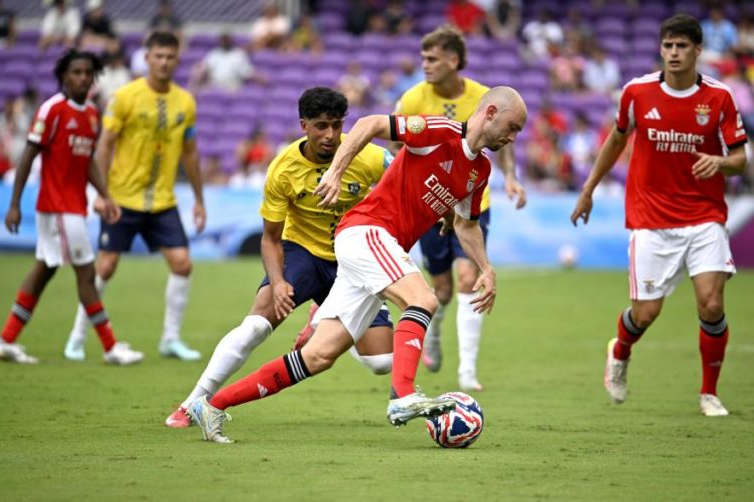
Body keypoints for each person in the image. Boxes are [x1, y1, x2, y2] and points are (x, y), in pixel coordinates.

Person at [186, 87, 528, 443]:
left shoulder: (481, 170)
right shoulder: (439, 131)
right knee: (423, 300)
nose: (513, 136)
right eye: (512, 126)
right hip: (367, 231)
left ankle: (210, 405)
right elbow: (371, 123)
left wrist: (486, 268)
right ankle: (403, 397)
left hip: (377, 247)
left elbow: (466, 224)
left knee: (318, 356)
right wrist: (336, 170)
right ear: (489, 112)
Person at [164, 87, 395, 428]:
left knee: (381, 362)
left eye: (335, 125)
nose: (329, 135)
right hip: (302, 253)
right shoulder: (283, 169)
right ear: (303, 124)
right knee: (256, 325)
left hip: (354, 259)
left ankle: (325, 320)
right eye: (320, 126)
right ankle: (190, 403)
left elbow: (404, 188)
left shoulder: (370, 157)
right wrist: (278, 281)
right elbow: (270, 238)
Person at [570, 15, 747, 417]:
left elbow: (740, 159)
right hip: (651, 217)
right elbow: (616, 140)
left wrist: (720, 163)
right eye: (668, 46)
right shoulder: (637, 92)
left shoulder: (719, 98)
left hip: (704, 216)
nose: (674, 53)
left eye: (682, 46)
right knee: (646, 313)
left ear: (698, 51)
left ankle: (708, 392)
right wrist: (588, 189)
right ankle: (620, 350)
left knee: (712, 305)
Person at [393, 25, 526, 391]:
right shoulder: (412, 99)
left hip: (472, 202)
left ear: (453, 60)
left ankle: (467, 370)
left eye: (432, 58)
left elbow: (504, 138)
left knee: (469, 278)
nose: (425, 64)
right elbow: (394, 144)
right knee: (442, 288)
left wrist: (511, 177)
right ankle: (434, 332)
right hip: (432, 206)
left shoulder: (486, 98)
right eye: (422, 58)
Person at [0, 50, 143, 366]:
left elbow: (87, 163)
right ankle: (111, 347)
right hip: (58, 208)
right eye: (76, 72)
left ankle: (5, 340)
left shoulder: (90, 114)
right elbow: (28, 157)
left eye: (88, 72)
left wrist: (105, 196)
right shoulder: (52, 110)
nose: (83, 77)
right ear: (63, 76)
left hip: (74, 207)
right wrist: (15, 204)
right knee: (86, 274)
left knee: (44, 270)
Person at [64, 32, 206, 362]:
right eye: (158, 56)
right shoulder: (125, 97)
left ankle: (170, 339)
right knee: (106, 266)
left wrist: (199, 200)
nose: (164, 62)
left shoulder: (185, 101)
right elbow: (105, 144)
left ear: (177, 59)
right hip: (122, 198)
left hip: (162, 201)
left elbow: (192, 153)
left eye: (170, 57)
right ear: (146, 58)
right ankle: (77, 337)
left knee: (183, 264)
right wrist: (101, 194)